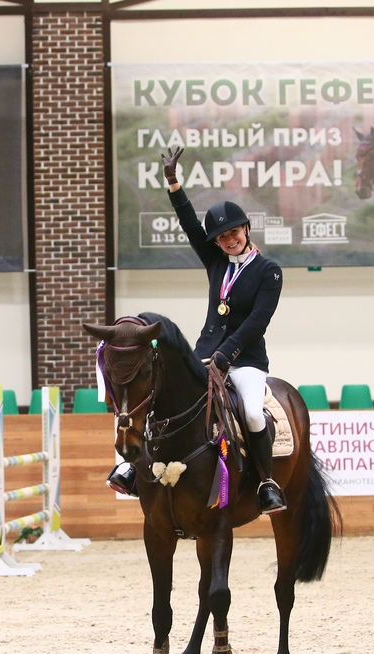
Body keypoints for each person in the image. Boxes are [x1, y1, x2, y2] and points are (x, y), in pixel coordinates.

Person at [107, 146, 286, 514]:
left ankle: (265, 482)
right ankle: (132, 467)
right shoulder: (216, 262)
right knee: (158, 398)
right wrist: (173, 183)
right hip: (203, 355)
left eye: (234, 232)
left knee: (253, 414)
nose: (229, 240)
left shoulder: (268, 271)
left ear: (246, 229)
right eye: (222, 237)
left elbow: (258, 320)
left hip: (245, 360)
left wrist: (227, 353)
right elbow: (190, 224)